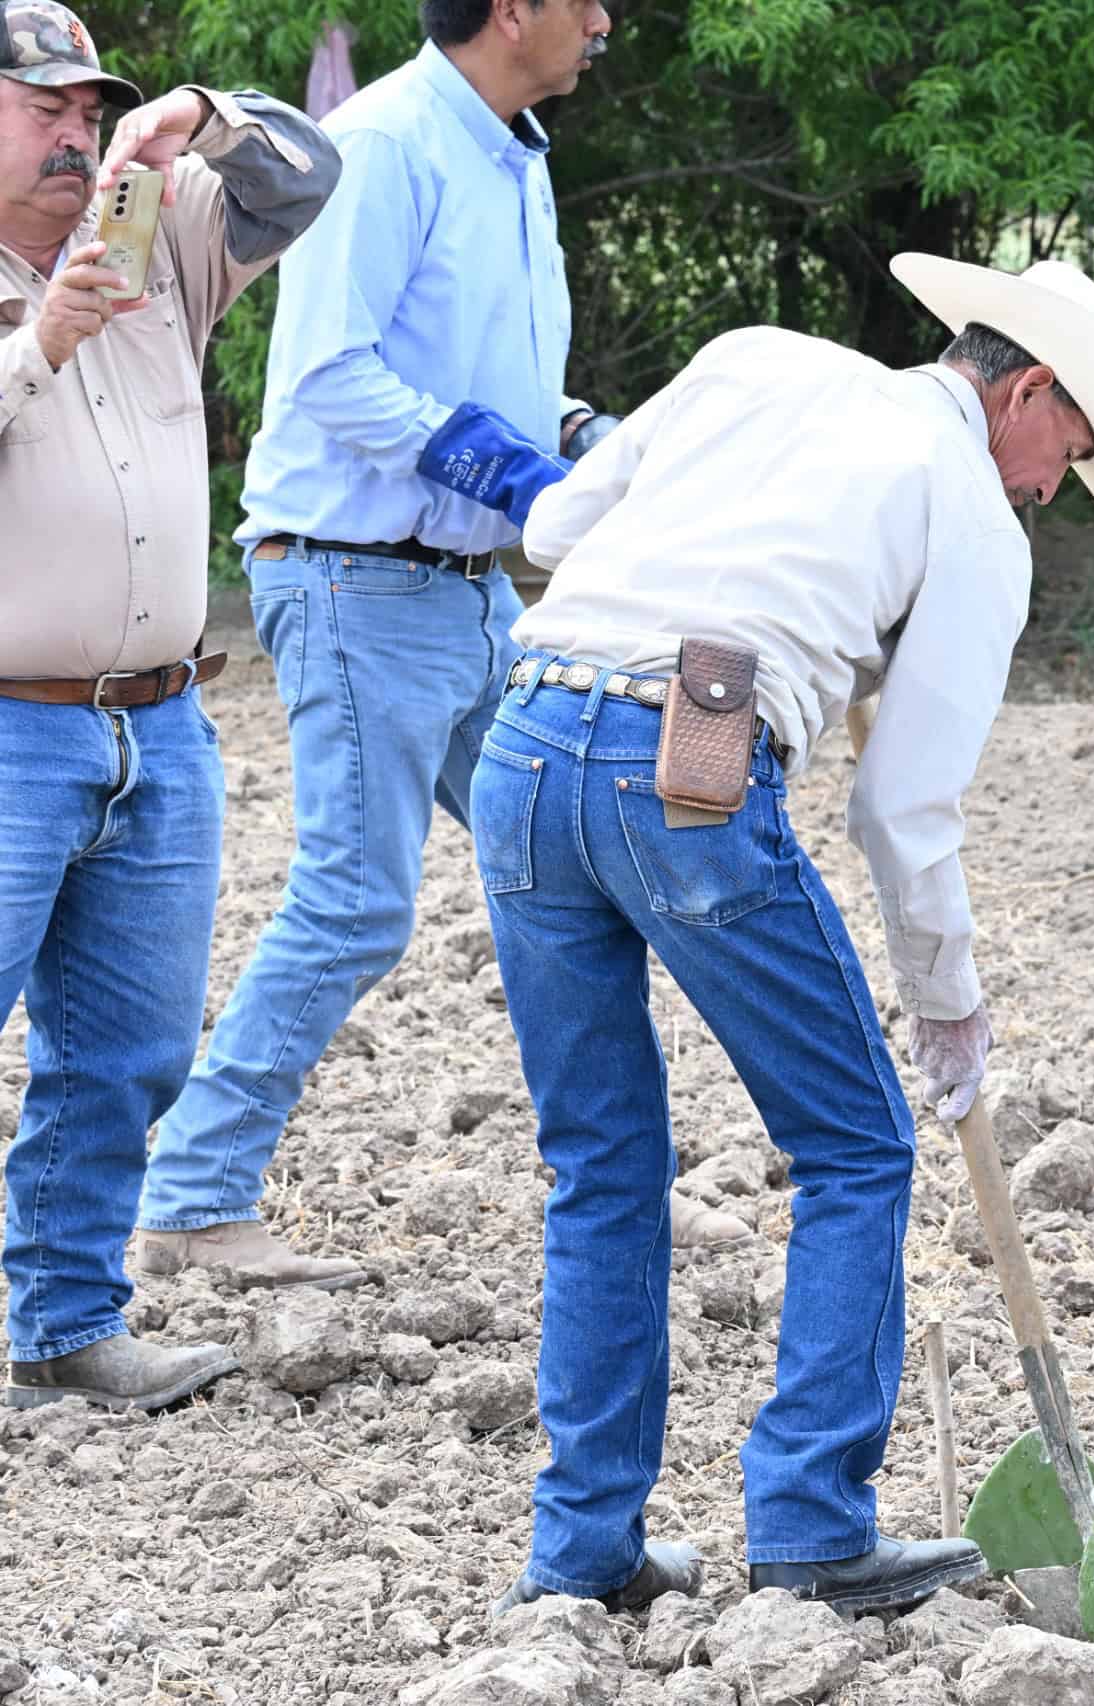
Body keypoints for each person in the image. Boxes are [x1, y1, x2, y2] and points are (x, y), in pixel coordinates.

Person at [441, 254, 1094, 1618]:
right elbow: (905, 803)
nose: (1046, 486)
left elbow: (550, 534)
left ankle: (583, 1547)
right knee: (857, 1141)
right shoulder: (970, 512)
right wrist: (947, 1005)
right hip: (689, 761)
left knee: (602, 1158)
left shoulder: (756, 355)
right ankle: (811, 1522)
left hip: (527, 737)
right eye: (1063, 452)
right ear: (1023, 389)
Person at [124, 0, 741, 1290]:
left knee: (587, 851)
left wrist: (588, 442)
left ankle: (618, 1179)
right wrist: (512, 470)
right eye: (584, 1)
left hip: (469, 593)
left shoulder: (513, 155)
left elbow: (497, 378)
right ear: (512, 8)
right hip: (355, 582)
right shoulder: (385, 144)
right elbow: (325, 376)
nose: (604, 20)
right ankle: (193, 1190)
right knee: (355, 898)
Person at [0, 1, 337, 1408]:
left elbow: (308, 175)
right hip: (11, 722)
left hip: (160, 717)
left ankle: (67, 1327)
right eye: (44, 110)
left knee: (125, 1053)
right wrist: (40, 344)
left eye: (91, 111)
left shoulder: (152, 233)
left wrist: (193, 112)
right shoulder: (72, 288)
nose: (78, 134)